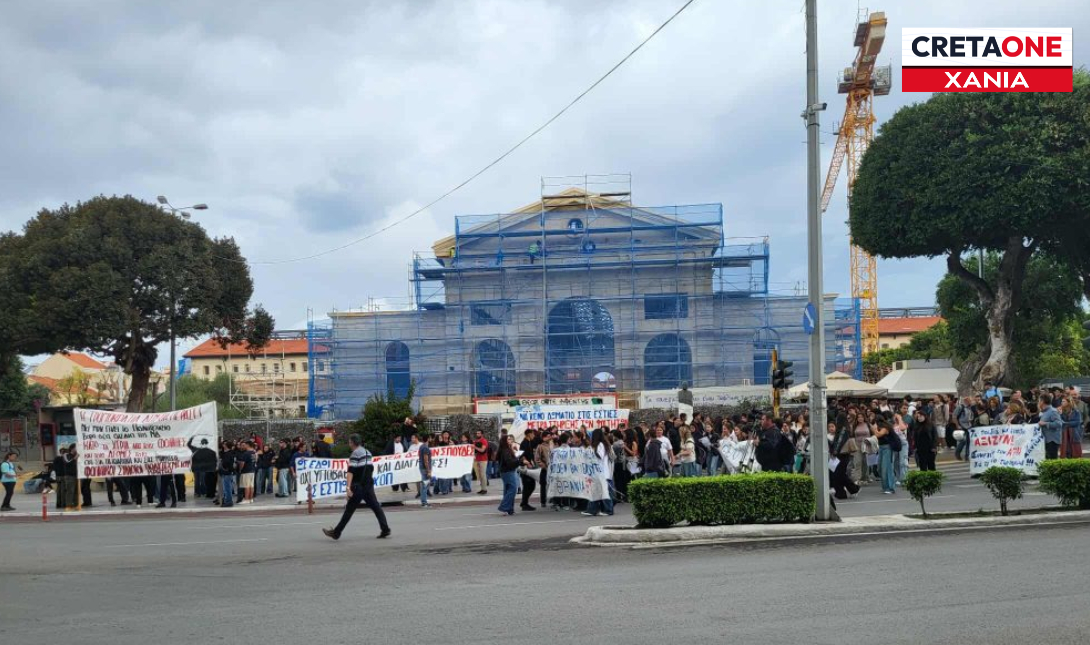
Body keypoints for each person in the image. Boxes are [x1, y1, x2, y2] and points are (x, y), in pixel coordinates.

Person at [323, 434, 391, 540]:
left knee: (349, 510)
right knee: (376, 507)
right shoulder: (368, 452)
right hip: (368, 485)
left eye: (350, 442)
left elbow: (351, 472)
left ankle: (336, 533)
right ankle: (385, 529)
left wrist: (348, 488)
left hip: (358, 486)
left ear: (353, 443)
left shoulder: (355, 454)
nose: (349, 444)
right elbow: (370, 469)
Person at [584, 428, 615, 516]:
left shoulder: (600, 445)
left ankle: (608, 510)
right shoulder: (602, 444)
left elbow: (599, 457)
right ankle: (592, 509)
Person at [496, 435, 520, 516]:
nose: (510, 440)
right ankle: (504, 507)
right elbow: (510, 462)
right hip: (508, 471)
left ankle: (509, 509)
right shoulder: (505, 450)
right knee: (513, 489)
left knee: (508, 489)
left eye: (511, 439)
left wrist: (514, 451)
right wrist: (519, 461)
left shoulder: (505, 449)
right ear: (505, 441)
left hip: (505, 471)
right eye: (508, 439)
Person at [1037, 394, 1063, 460]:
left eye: (1039, 401)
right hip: (1045, 440)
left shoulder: (1053, 411)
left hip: (1052, 440)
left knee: (1052, 460)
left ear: (1042, 401)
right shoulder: (1043, 412)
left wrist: (1045, 423)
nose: (1038, 402)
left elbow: (1059, 424)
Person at [875, 420, 896, 494]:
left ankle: (890, 488)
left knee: (886, 468)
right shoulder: (879, 427)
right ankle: (885, 487)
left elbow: (878, 435)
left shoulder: (885, 428)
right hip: (881, 448)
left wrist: (874, 428)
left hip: (887, 448)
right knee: (880, 468)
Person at [218, 441, 238, 508]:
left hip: (227, 472)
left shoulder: (229, 453)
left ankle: (229, 501)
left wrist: (222, 464)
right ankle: (227, 500)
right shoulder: (228, 453)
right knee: (226, 488)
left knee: (227, 488)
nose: (223, 445)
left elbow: (227, 463)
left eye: (224, 444)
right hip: (227, 472)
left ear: (226, 446)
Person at [237, 440, 256, 504]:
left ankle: (246, 499)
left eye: (245, 445)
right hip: (252, 470)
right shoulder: (253, 453)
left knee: (246, 486)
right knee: (251, 486)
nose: (244, 446)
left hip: (246, 471)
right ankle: (251, 498)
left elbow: (242, 463)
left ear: (248, 445)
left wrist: (240, 469)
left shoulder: (246, 453)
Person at [473, 430, 489, 495]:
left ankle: (484, 489)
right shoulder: (476, 441)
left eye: (479, 433)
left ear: (482, 434)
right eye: (477, 433)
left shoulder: (484, 441)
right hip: (477, 459)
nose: (477, 434)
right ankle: (482, 488)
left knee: (483, 474)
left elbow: (482, 450)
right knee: (480, 475)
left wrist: (475, 447)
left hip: (483, 460)